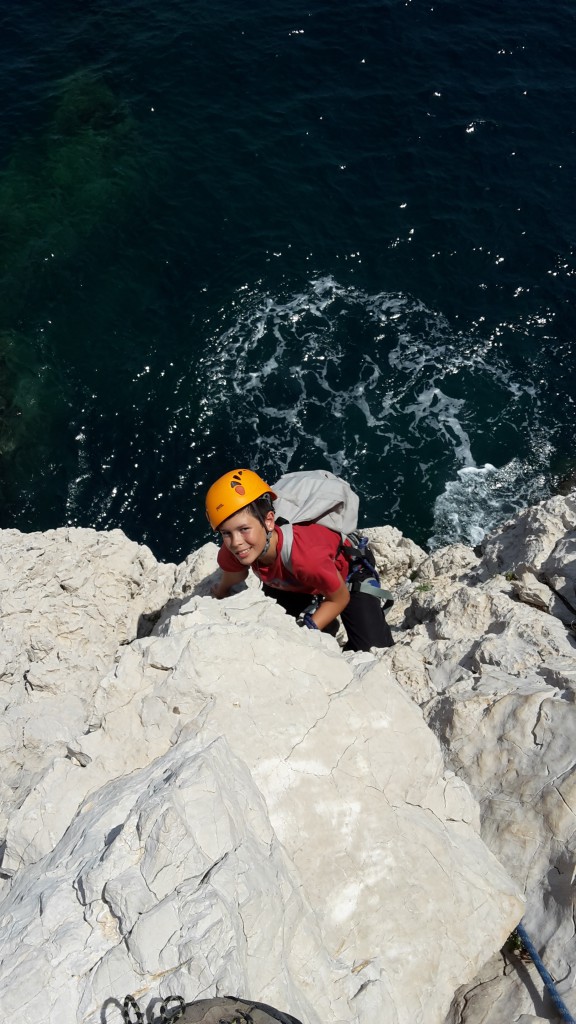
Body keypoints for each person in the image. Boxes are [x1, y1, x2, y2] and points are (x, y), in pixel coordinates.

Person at [206, 468, 393, 651]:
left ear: (269, 521)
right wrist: (221, 591)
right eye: (226, 533)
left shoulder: (306, 557)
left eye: (244, 529)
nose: (236, 542)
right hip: (298, 580)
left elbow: (339, 598)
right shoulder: (238, 548)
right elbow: (234, 574)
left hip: (345, 575)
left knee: (374, 648)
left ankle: (329, 626)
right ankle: (327, 627)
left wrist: (306, 633)